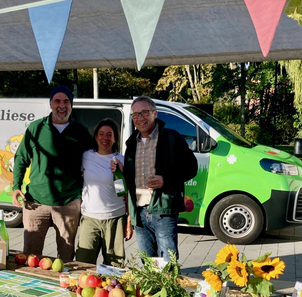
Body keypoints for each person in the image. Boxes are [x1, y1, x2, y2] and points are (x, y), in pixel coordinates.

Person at [12, 86, 92, 262]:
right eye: (57, 101)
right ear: (50, 104)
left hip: (69, 202)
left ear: (71, 105)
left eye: (66, 101)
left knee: (66, 258)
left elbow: (94, 159)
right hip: (36, 203)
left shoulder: (80, 131)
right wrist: (16, 186)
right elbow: (21, 159)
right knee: (31, 257)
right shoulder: (36, 128)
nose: (61, 105)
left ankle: (63, 288)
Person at [123, 95, 198, 259]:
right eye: (135, 114)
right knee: (148, 264)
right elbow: (129, 181)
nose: (140, 118)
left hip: (163, 212)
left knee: (167, 264)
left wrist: (166, 179)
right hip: (140, 213)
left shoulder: (172, 138)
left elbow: (192, 168)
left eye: (144, 112)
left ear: (154, 113)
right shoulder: (131, 144)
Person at [75, 118, 130, 266]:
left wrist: (129, 222)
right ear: (95, 136)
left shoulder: (121, 160)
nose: (105, 138)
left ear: (115, 138)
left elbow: (126, 193)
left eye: (109, 134)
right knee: (83, 263)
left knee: (114, 266)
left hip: (115, 218)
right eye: (101, 134)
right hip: (89, 218)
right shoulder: (86, 156)